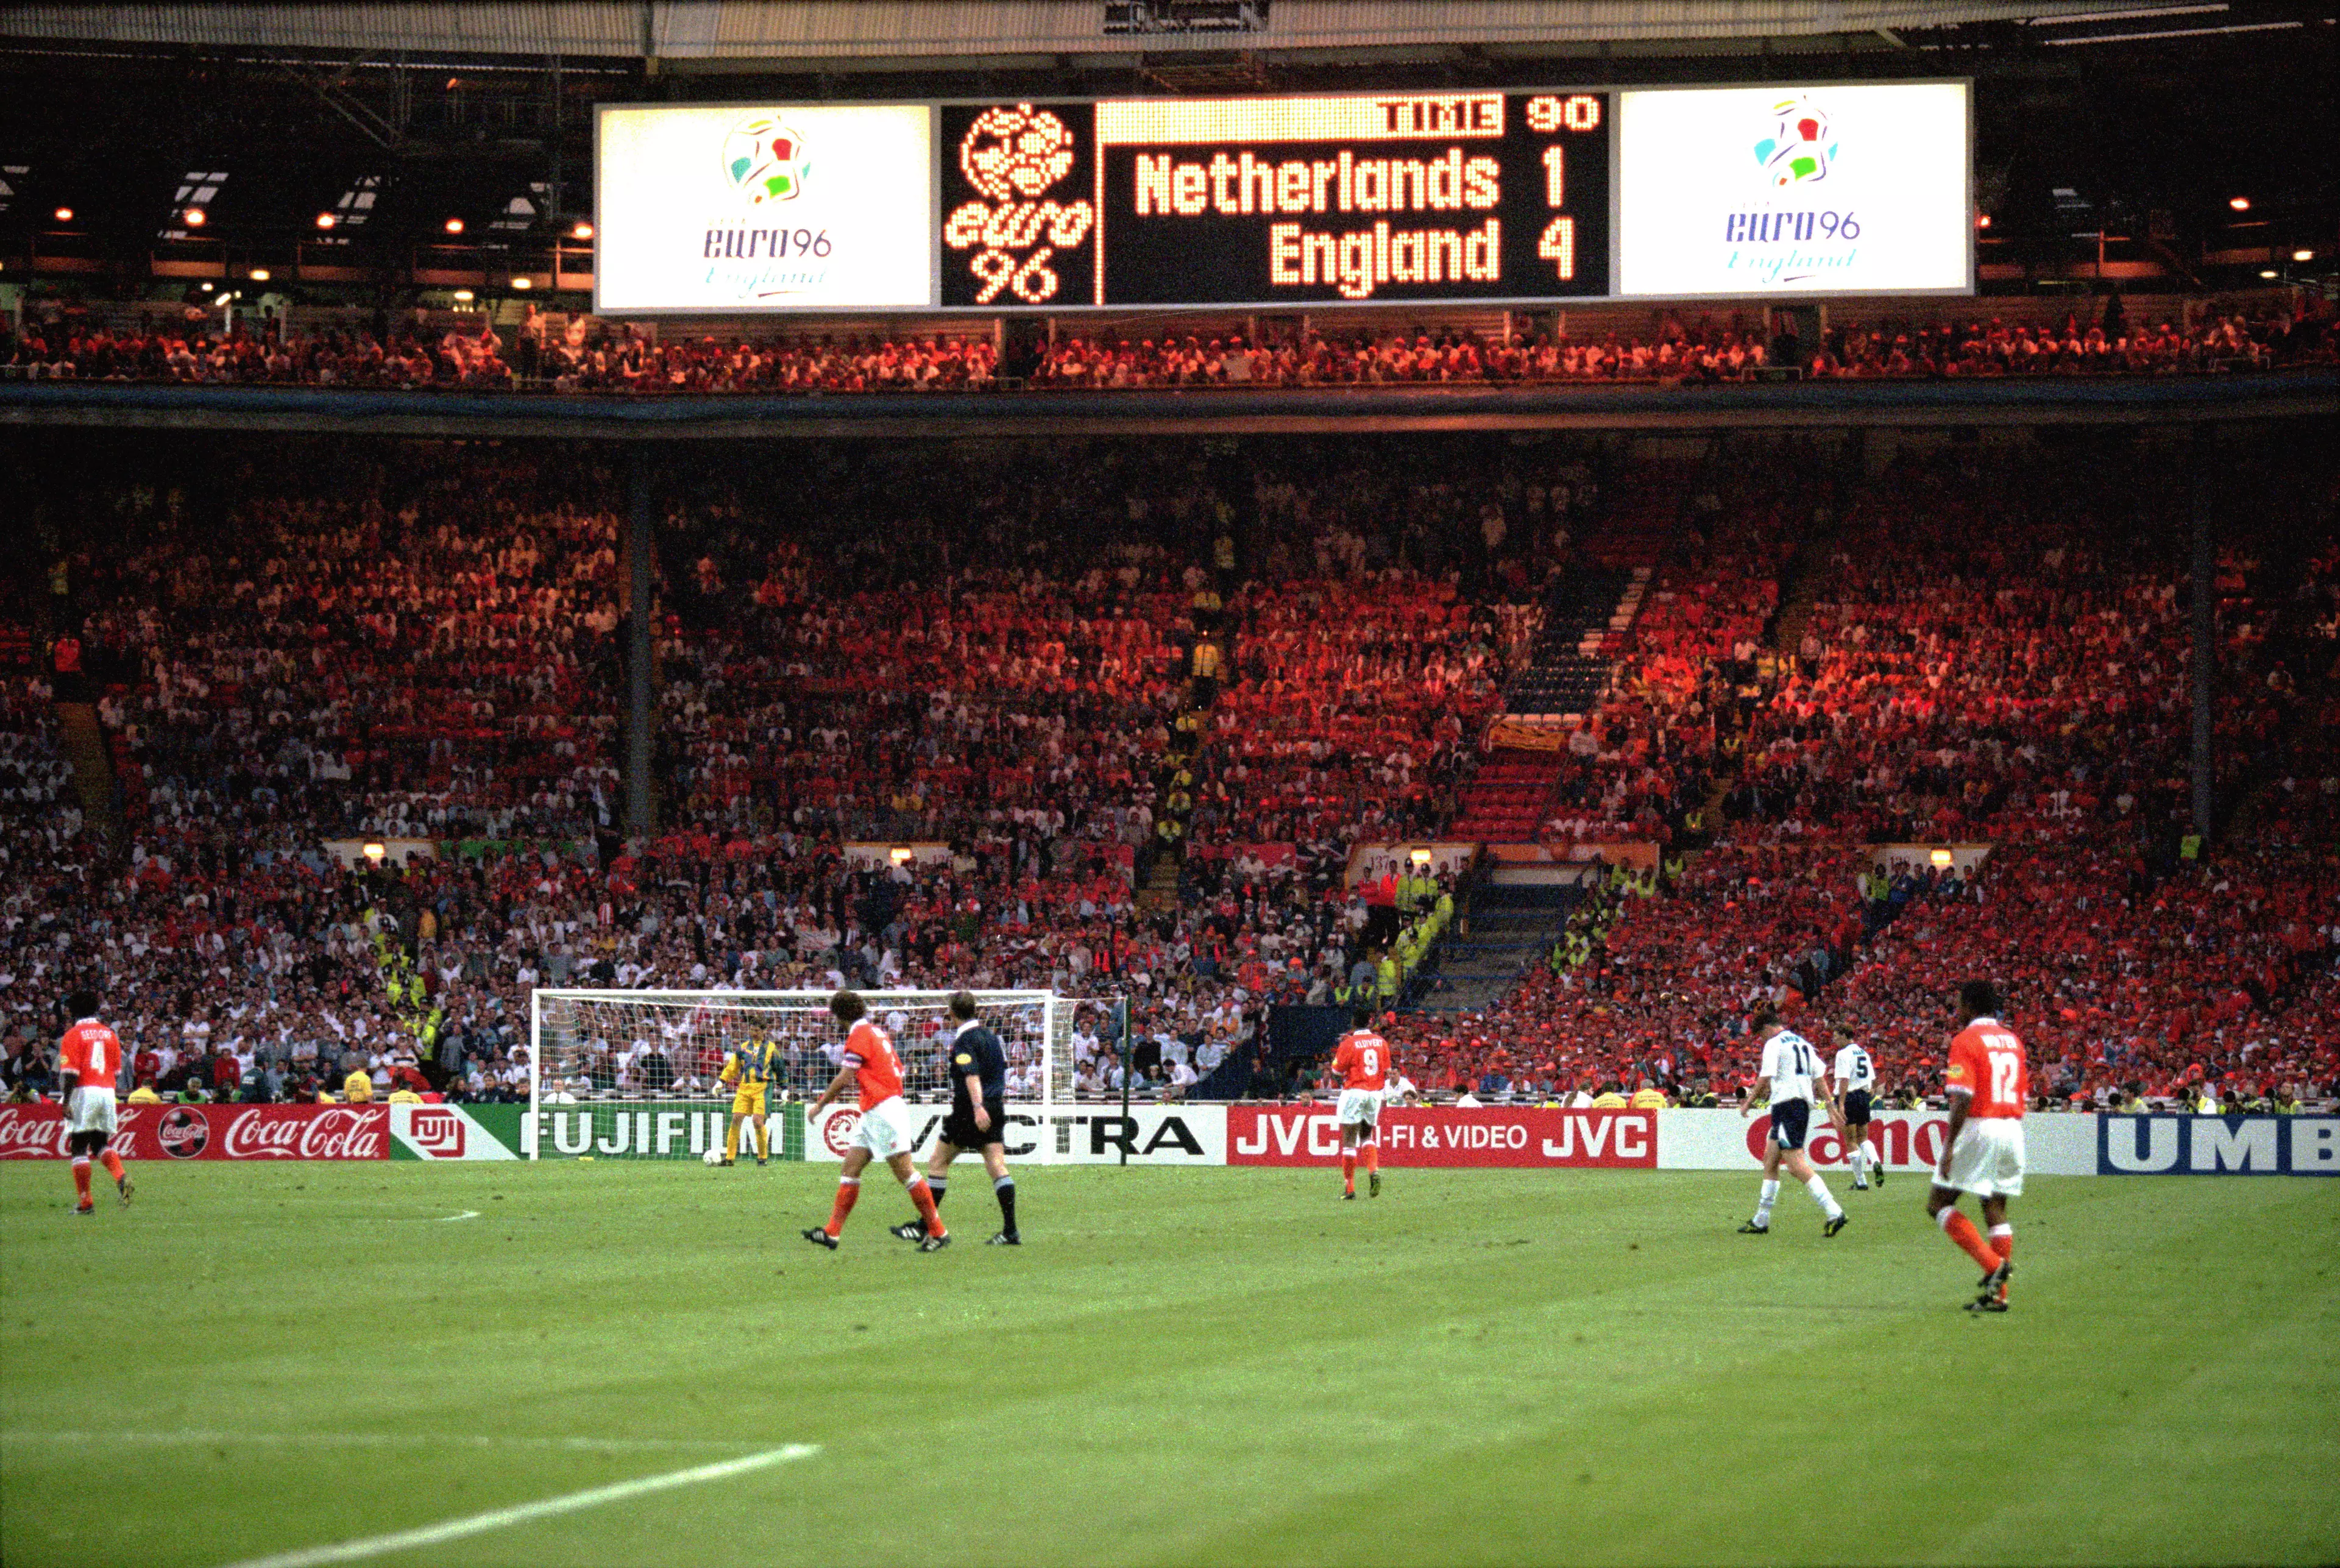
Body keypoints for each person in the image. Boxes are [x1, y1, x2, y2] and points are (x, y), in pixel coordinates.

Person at [802, 990, 948, 1252]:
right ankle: (831, 1233)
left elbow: (846, 1076)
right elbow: (898, 1069)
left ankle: (938, 1232)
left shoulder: (859, 1036)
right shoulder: (877, 1033)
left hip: (883, 1110)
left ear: (840, 1015)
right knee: (850, 1169)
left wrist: (820, 1104)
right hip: (875, 1109)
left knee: (906, 1173)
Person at [1926, 981, 2026, 1313]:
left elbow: (1963, 1095)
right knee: (1995, 1207)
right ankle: (2000, 1295)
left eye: (1959, 1004)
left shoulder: (1965, 1040)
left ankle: (1992, 1266)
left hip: (1979, 1125)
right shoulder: (2013, 1041)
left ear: (1969, 1006)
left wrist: (1950, 1142)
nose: (1958, 1010)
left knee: (1938, 1202)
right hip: (2012, 1127)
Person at [893, 992, 1019, 1246]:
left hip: (970, 1110)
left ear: (952, 1014)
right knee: (996, 1165)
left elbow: (971, 1075)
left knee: (938, 1163)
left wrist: (977, 1107)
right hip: (995, 1107)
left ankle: (924, 1226)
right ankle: (1010, 1231)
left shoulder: (964, 1042)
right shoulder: (992, 1038)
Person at [1738, 1008, 1848, 1237]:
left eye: (1761, 1035)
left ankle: (1834, 1211)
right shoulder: (1803, 1043)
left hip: (1788, 1105)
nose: (1761, 1040)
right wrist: (1829, 1105)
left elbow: (1765, 1077)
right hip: (1792, 1106)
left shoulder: (1774, 1043)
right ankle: (1761, 1219)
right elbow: (1819, 1075)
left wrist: (1748, 1102)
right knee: (1770, 1159)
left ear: (1768, 1029)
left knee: (1795, 1163)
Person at [57, 990, 132, 1214]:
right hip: (107, 1091)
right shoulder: (110, 1034)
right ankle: (121, 1176)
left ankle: (86, 1203)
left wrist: (66, 1101)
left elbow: (70, 1073)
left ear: (76, 1011)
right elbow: (118, 1071)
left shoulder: (73, 1034)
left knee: (79, 1146)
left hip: (84, 1091)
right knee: (99, 1143)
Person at [1330, 1006, 1392, 1199]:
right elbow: (1387, 1071)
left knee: (1349, 1140)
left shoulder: (1350, 1043)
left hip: (1355, 1091)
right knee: (1367, 1135)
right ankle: (1373, 1171)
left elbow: (1337, 1070)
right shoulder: (1381, 1042)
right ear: (1370, 1022)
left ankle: (1350, 1189)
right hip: (1375, 1093)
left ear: (1354, 1023)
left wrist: (1336, 1063)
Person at [718, 1028, 779, 1166]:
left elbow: (780, 1069)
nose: (754, 1033)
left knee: (758, 1122)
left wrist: (785, 1088)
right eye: (752, 1030)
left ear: (764, 1031)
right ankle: (729, 1158)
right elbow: (733, 1067)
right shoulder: (744, 1047)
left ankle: (762, 1157)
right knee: (736, 1118)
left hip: (762, 1088)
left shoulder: (771, 1048)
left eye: (757, 1030)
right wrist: (721, 1081)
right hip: (745, 1088)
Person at [1830, 1024, 1881, 1190]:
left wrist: (1842, 1104)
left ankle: (1861, 1182)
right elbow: (1872, 1079)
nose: (1835, 1040)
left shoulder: (1843, 1054)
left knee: (1850, 1140)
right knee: (1863, 1137)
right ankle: (1875, 1161)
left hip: (1850, 1096)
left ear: (1845, 1036)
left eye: (1837, 1036)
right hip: (1863, 1096)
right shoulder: (1864, 1053)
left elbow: (1844, 1079)